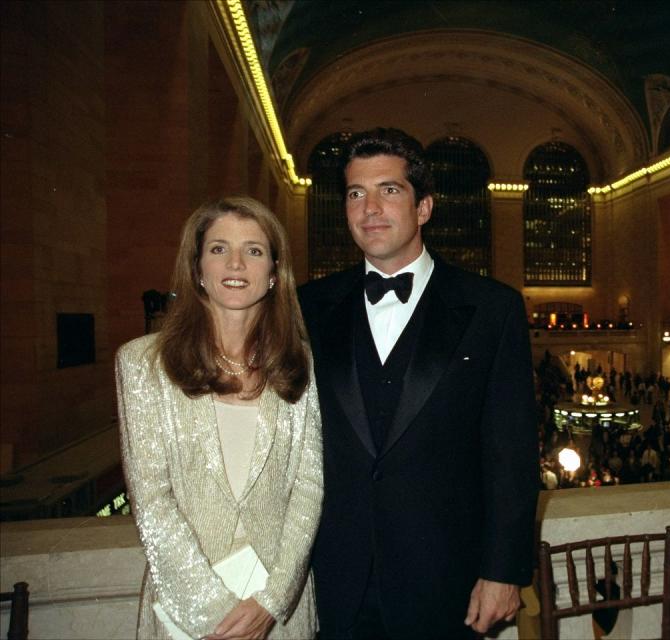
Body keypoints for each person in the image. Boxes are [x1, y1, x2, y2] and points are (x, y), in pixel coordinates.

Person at [298, 128, 539, 639]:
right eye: (355, 194)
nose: (369, 209)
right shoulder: (308, 306)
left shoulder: (492, 308)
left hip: (447, 580)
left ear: (424, 207)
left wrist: (503, 570)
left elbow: (511, 451)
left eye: (389, 190)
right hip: (336, 579)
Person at [115, 197, 323, 639]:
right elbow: (151, 500)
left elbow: (309, 486)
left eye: (253, 250)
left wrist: (272, 601)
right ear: (196, 269)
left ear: (273, 273)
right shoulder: (142, 364)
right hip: (188, 610)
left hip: (277, 612)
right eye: (217, 249)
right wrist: (215, 610)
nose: (235, 263)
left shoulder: (297, 360)